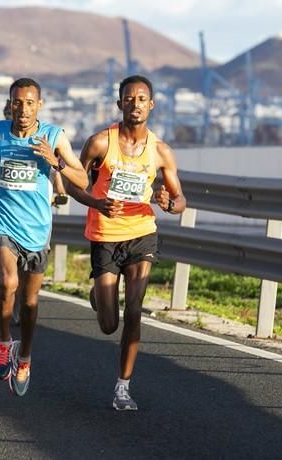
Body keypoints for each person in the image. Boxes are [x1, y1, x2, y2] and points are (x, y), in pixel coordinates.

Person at [65, 74, 186, 411]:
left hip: (141, 232)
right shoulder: (100, 143)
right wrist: (96, 202)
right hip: (105, 233)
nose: (135, 104)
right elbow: (72, 182)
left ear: (152, 105)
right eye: (129, 99)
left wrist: (167, 202)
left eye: (142, 99)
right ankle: (98, 295)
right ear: (119, 104)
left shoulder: (161, 151)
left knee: (134, 308)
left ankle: (123, 387)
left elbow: (180, 202)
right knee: (109, 324)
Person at [0, 78, 88, 396]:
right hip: (2, 225)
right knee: (8, 283)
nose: (22, 109)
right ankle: (2, 341)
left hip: (37, 230)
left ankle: (24, 356)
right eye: (17, 102)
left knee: (29, 302)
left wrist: (56, 163)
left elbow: (82, 178)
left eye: (29, 103)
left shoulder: (53, 136)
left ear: (39, 105)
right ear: (9, 103)